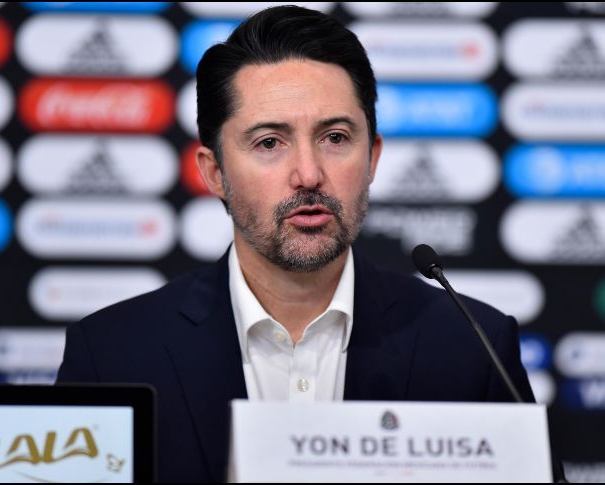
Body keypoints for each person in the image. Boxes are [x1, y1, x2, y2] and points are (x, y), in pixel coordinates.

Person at [57, 5, 534, 482]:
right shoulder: (112, 355)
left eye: (335, 137)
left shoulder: (474, 347)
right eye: (269, 142)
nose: (308, 174)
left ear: (372, 158)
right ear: (215, 172)